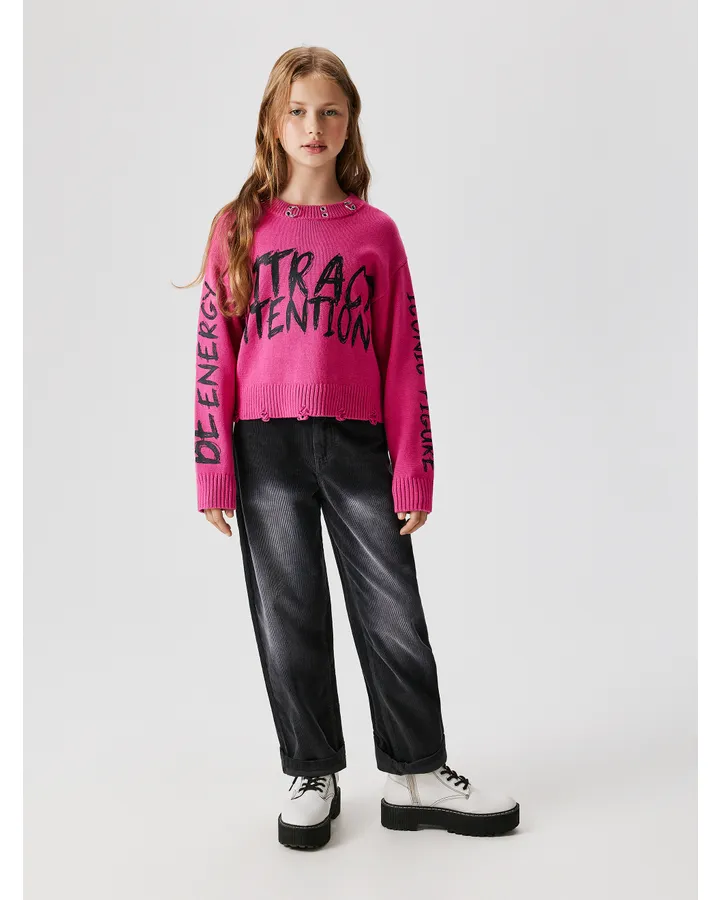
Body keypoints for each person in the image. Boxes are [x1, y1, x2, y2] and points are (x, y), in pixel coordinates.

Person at [186, 45, 519, 849]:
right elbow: (212, 355)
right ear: (273, 123)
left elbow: (403, 357)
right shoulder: (236, 227)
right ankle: (312, 772)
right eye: (298, 111)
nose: (314, 126)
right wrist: (213, 469)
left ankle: (416, 774)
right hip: (264, 450)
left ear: (350, 123)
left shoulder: (376, 233)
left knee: (393, 611)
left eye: (329, 111)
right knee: (288, 614)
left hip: (358, 444)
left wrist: (415, 468)